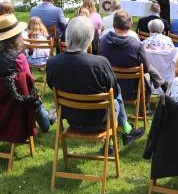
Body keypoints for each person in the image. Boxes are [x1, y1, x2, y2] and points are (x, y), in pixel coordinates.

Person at [46, 16, 144, 146]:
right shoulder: (100, 63)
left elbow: (51, 86)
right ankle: (119, 136)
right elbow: (114, 94)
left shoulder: (52, 63)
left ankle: (123, 133)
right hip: (101, 121)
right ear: (90, 38)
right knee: (115, 93)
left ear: (67, 36)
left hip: (71, 119)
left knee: (113, 92)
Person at [0, 13, 56, 133]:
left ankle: (49, 114)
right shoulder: (18, 58)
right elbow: (30, 86)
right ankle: (48, 117)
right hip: (15, 107)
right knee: (33, 98)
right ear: (16, 36)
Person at [99, 10, 166, 101]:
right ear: (130, 24)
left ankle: (162, 83)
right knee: (147, 73)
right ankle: (147, 104)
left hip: (108, 87)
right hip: (132, 91)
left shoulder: (103, 40)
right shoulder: (136, 45)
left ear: (114, 24)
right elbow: (146, 68)